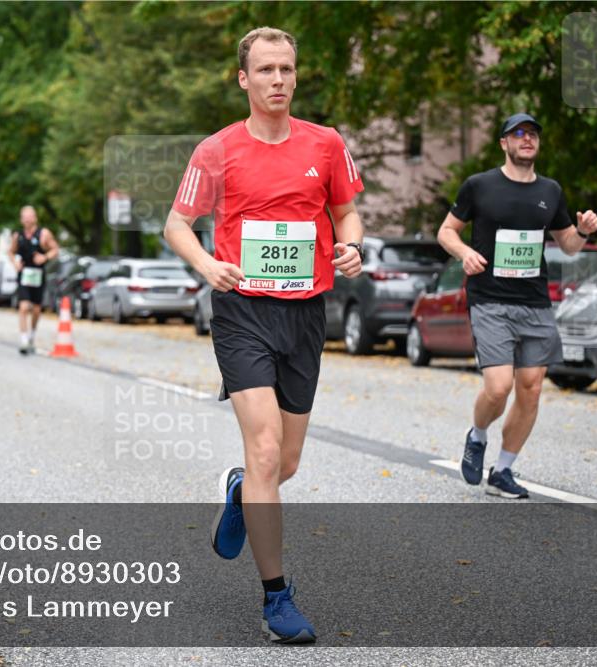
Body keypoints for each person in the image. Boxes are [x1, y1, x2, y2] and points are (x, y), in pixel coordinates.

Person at [163, 27, 365, 644]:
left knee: (287, 463)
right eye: (267, 70)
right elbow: (178, 224)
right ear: (244, 79)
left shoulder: (327, 144)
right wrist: (207, 266)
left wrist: (352, 244)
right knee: (267, 452)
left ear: (296, 76)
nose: (279, 79)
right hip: (242, 310)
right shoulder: (216, 150)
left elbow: (346, 212)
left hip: (305, 314)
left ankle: (239, 491)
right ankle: (277, 597)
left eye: (287, 69)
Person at [437, 113, 597, 499]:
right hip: (490, 299)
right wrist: (464, 253)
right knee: (498, 387)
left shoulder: (551, 191)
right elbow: (446, 231)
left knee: (530, 388)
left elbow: (569, 245)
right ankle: (477, 436)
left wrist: (583, 230)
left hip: (535, 303)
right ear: (504, 144)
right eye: (518, 134)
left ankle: (504, 470)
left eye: (532, 134)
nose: (527, 139)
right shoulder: (480, 186)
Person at [9, 205, 59, 354]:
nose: (27, 219)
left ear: (35, 217)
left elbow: (55, 249)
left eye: (29, 216)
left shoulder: (43, 234)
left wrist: (45, 257)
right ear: (21, 219)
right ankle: (24, 340)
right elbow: (10, 252)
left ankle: (32, 335)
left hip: (38, 274)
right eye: (24, 217)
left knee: (36, 309)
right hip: (24, 274)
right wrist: (15, 262)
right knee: (24, 307)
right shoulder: (18, 236)